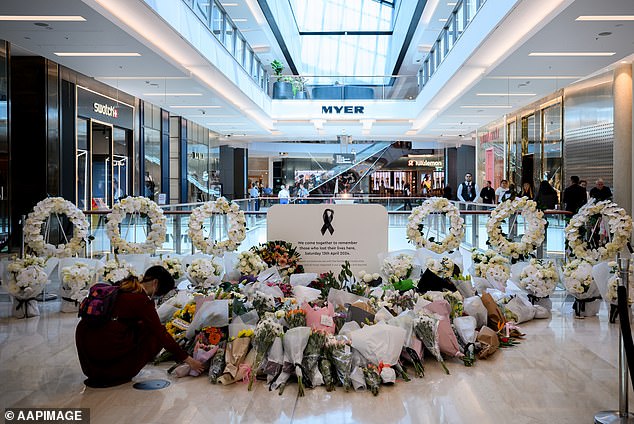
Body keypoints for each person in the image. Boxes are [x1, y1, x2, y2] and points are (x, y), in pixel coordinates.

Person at [75, 266, 204, 387]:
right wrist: (189, 360)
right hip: (103, 348)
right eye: (160, 293)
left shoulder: (124, 287)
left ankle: (104, 371)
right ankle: (119, 372)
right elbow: (161, 334)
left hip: (87, 347)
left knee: (143, 327)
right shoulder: (141, 300)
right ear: (155, 284)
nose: (158, 297)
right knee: (153, 333)